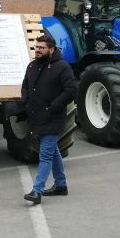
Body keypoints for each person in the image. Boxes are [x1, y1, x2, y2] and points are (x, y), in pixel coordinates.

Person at [22, 33, 78, 204]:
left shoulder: (62, 67)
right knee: (53, 152)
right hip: (37, 117)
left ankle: (36, 191)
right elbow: (25, 86)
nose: (37, 50)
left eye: (41, 48)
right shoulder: (32, 66)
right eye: (36, 47)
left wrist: (52, 107)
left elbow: (70, 90)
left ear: (51, 50)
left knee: (45, 155)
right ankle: (61, 185)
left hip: (53, 117)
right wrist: (26, 104)